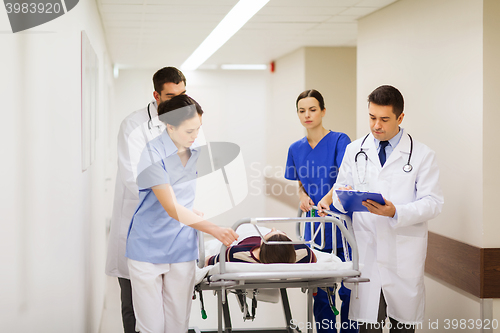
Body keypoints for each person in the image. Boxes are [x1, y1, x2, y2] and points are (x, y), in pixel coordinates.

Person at [318, 85, 444, 333]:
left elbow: (433, 203)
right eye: (372, 117)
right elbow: (341, 189)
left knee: (403, 327)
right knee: (368, 327)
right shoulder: (354, 150)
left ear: (400, 118)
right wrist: (337, 201)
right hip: (368, 255)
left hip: (403, 257)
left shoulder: (422, 155)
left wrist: (395, 211)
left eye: (384, 119)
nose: (376, 125)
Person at [126, 94, 238, 333]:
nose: (195, 135)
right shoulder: (152, 153)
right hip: (148, 247)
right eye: (189, 131)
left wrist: (192, 211)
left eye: (198, 129)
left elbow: (181, 197)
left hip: (181, 247)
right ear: (170, 125)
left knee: (178, 325)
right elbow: (171, 207)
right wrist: (215, 229)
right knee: (151, 328)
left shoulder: (195, 151)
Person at [105, 67, 187, 332]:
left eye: (183, 94)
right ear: (156, 95)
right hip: (139, 228)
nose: (178, 101)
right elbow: (134, 178)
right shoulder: (134, 125)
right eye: (171, 95)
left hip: (173, 231)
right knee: (135, 309)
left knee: (171, 308)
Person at [284, 89, 356, 333]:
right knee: (322, 295)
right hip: (314, 227)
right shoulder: (295, 148)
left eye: (312, 109)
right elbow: (301, 182)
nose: (307, 115)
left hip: (340, 224)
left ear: (323, 111)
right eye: (302, 110)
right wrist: (303, 196)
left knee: (349, 291)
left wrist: (326, 199)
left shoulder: (339, 141)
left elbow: (345, 178)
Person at [206, 228, 317, 265]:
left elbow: (209, 261)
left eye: (270, 232)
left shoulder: (235, 254)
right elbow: (314, 259)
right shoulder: (303, 252)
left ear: (261, 243)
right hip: (252, 230)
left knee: (210, 245)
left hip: (243, 233)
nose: (272, 228)